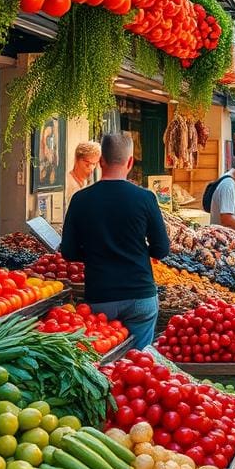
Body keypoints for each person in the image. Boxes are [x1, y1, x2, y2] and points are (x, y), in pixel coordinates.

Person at [61, 133, 169, 349]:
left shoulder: (81, 199)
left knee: (104, 360)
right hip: (140, 295)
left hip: (101, 295)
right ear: (130, 162)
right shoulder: (145, 198)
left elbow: (69, 252)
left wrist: (95, 252)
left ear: (101, 161)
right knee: (138, 362)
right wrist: (136, 251)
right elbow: (161, 249)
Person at [65, 141, 101, 210]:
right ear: (77, 160)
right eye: (87, 163)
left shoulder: (87, 183)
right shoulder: (67, 182)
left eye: (94, 164)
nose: (91, 168)